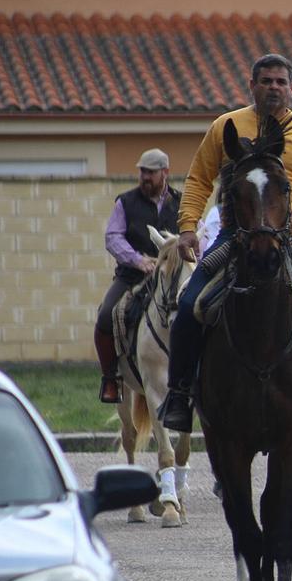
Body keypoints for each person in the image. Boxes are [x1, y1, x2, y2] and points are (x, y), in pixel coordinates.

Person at [157, 53, 292, 437]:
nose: (273, 87)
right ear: (251, 86)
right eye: (265, 81)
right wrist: (187, 226)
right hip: (231, 240)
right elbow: (200, 180)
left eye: (280, 82)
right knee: (190, 305)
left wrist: (285, 216)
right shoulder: (226, 126)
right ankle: (179, 395)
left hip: (291, 240)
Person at [93, 149, 181, 403]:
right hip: (132, 276)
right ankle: (111, 378)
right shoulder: (126, 202)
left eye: (151, 172)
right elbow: (113, 237)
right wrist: (138, 260)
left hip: (171, 277)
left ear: (165, 173)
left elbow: (192, 234)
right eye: (142, 172)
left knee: (199, 310)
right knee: (106, 314)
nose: (145, 177)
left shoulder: (180, 202)